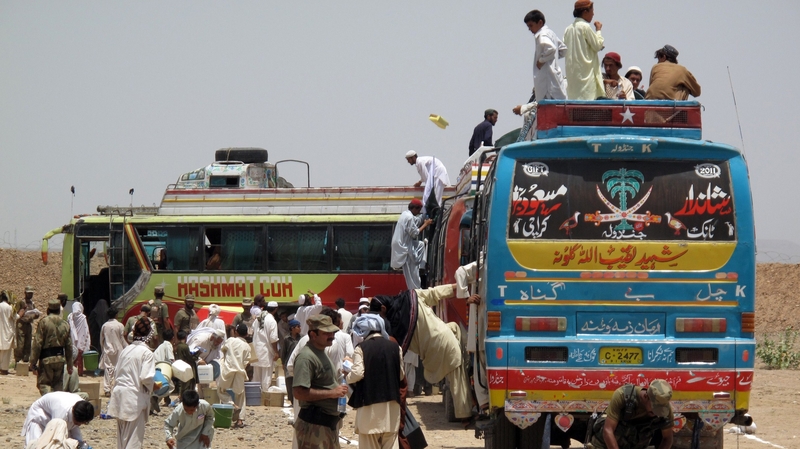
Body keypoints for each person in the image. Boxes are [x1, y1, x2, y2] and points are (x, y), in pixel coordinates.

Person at [372, 284, 482, 420]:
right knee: (458, 374)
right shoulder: (412, 296)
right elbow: (437, 292)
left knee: (454, 333)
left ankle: (466, 408)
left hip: (431, 355)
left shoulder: (393, 328)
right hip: (444, 339)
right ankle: (466, 415)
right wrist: (461, 288)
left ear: (383, 308)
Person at [347, 315, 405, 449]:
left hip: (369, 407)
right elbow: (401, 375)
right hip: (391, 407)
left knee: (369, 443)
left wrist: (347, 377)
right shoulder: (396, 348)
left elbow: (357, 373)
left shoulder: (361, 348)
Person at [292, 314, 349, 449]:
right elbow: (299, 392)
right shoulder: (306, 357)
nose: (332, 336)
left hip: (326, 425)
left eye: (333, 332)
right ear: (313, 334)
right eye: (326, 333)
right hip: (314, 426)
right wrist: (331, 393)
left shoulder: (320, 352)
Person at [107, 317, 158, 449]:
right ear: (149, 335)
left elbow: (117, 371)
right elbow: (146, 378)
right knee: (133, 440)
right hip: (134, 399)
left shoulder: (126, 350)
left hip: (119, 396)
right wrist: (155, 386)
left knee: (122, 439)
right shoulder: (146, 353)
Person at [590, 379, 674, 449]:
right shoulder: (623, 395)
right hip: (606, 444)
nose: (657, 412)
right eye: (655, 408)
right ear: (646, 397)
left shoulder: (665, 409)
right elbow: (608, 430)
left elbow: (667, 438)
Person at [30, 299, 74, 395]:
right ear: (59, 310)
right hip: (60, 359)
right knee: (58, 385)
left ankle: (48, 404)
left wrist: (33, 362)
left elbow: (37, 343)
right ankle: (56, 406)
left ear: (48, 309)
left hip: (46, 359)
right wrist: (70, 364)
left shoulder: (44, 322)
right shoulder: (65, 324)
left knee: (44, 384)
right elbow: (69, 346)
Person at [564, 0, 605, 100]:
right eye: (592, 11)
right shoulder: (585, 27)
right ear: (585, 12)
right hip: (586, 75)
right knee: (588, 103)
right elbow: (597, 45)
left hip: (573, 75)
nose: (593, 14)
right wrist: (598, 30)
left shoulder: (568, 29)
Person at [21, 392, 95, 448]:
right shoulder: (60, 413)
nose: (79, 425)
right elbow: (56, 438)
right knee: (39, 444)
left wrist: (80, 443)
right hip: (40, 415)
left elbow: (75, 428)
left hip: (55, 413)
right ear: (73, 412)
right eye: (78, 422)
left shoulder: (82, 407)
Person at [524, 10, 567, 101]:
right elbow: (563, 50)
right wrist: (553, 58)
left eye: (531, 25)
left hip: (547, 83)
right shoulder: (550, 33)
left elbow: (551, 49)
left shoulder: (542, 35)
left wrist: (541, 61)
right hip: (555, 79)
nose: (529, 29)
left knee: (549, 107)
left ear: (540, 22)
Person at [391, 199, 433, 291]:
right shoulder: (409, 218)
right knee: (413, 274)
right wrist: (425, 224)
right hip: (404, 248)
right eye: (419, 210)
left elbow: (416, 221)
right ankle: (416, 292)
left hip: (405, 244)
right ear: (414, 208)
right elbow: (415, 233)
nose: (419, 212)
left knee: (421, 245)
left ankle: (421, 266)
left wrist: (424, 216)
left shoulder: (405, 214)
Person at [217, 323, 251, 429]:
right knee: (240, 394)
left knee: (220, 389)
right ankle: (240, 420)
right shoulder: (247, 346)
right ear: (246, 334)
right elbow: (246, 361)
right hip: (240, 371)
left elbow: (223, 349)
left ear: (236, 332)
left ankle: (232, 405)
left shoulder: (230, 340)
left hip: (228, 369)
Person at [252, 301, 280, 392]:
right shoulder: (272, 321)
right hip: (266, 351)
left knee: (256, 377)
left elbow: (252, 330)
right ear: (275, 310)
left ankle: (255, 396)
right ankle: (265, 394)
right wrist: (276, 352)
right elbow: (273, 338)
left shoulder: (258, 319)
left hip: (256, 351)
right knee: (266, 377)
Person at [98, 307, 126, 396]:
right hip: (119, 350)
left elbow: (101, 339)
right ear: (116, 315)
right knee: (119, 369)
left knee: (108, 369)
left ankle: (107, 389)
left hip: (108, 349)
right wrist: (127, 348)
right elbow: (122, 339)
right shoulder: (120, 325)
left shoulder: (105, 325)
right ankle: (117, 388)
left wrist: (103, 348)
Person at [153, 327, 176, 412]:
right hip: (162, 367)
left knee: (158, 386)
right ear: (173, 338)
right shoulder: (168, 345)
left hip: (155, 367)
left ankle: (151, 408)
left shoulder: (161, 345)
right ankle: (155, 397)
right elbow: (171, 359)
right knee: (170, 386)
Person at [15, 285, 40, 363]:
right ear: (25, 293)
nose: (30, 295)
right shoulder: (21, 302)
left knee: (28, 344)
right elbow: (15, 314)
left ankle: (25, 361)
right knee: (20, 344)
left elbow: (35, 313)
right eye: (29, 293)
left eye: (31, 293)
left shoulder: (32, 304)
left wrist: (36, 315)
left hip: (28, 325)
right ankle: (18, 361)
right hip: (21, 325)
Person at [280, 319, 301, 404]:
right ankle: (291, 400)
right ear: (292, 328)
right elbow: (283, 352)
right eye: (298, 327)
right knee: (289, 382)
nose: (300, 328)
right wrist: (283, 363)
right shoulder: (287, 339)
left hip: (299, 363)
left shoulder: (302, 338)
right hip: (288, 363)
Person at [174, 330, 197, 406]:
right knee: (188, 385)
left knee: (182, 384)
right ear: (185, 337)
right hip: (187, 367)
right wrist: (197, 355)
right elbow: (190, 357)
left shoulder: (177, 346)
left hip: (180, 367)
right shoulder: (184, 346)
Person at [67, 302, 91, 377]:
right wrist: (86, 341)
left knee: (72, 356)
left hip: (72, 339)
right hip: (81, 340)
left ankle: (72, 371)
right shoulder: (83, 317)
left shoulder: (70, 316)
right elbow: (85, 329)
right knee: (80, 357)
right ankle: (79, 372)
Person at [0, 290, 14, 375]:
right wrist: (22, 312)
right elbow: (15, 317)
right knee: (6, 352)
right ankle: (4, 369)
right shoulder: (9, 307)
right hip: (6, 331)